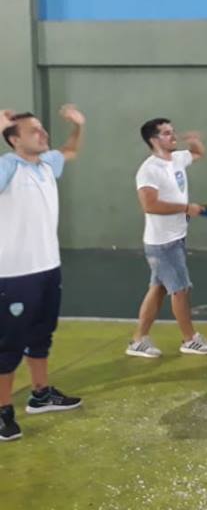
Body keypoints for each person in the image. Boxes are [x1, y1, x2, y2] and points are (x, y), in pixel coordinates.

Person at [0, 106, 86, 442]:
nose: (42, 133)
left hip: (48, 267)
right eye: (33, 130)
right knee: (8, 345)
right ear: (14, 140)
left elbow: (71, 151)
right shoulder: (7, 166)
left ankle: (40, 394)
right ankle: (3, 411)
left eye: (42, 127)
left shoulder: (48, 163)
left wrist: (78, 127)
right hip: (14, 274)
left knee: (41, 335)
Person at [127, 119, 207, 359]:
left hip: (176, 237)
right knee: (180, 289)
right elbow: (150, 205)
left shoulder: (176, 159)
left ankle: (138, 340)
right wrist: (185, 208)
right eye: (167, 133)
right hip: (162, 243)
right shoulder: (149, 170)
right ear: (153, 140)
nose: (173, 136)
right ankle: (189, 339)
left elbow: (198, 154)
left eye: (172, 132)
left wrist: (195, 142)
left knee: (158, 289)